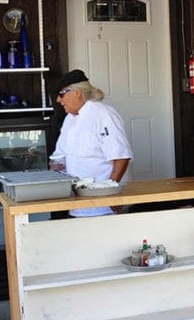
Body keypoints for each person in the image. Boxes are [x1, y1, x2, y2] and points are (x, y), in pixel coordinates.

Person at [50, 69, 133, 217]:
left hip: (105, 204)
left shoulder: (103, 114)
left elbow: (121, 156)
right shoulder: (70, 118)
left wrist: (110, 193)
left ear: (77, 92)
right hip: (77, 202)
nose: (58, 100)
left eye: (62, 94)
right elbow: (60, 157)